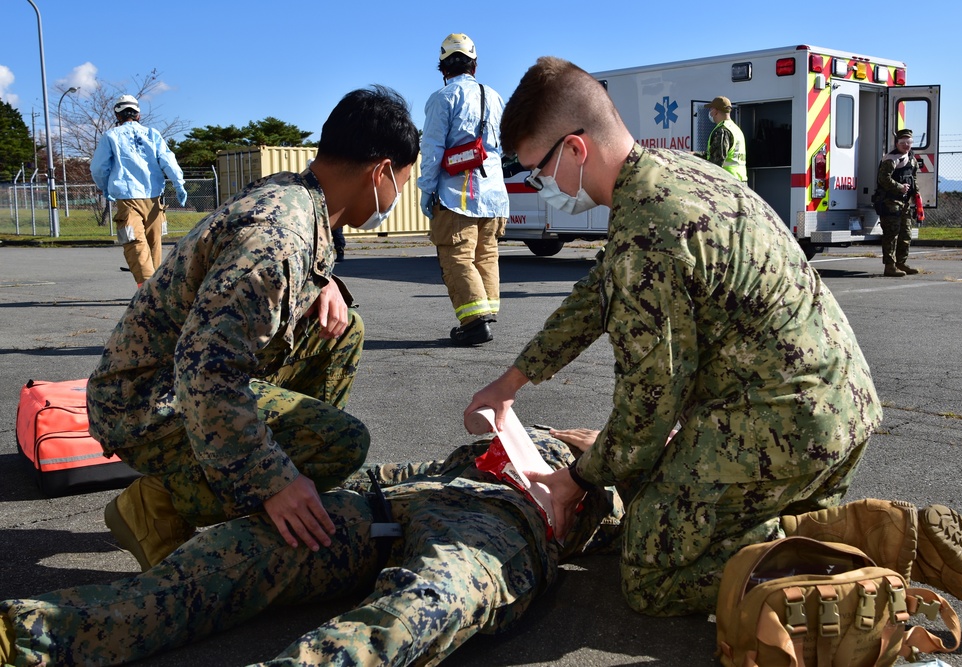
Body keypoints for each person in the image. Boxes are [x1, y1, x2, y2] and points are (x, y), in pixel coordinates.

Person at [465, 55, 888, 618]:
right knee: (673, 504)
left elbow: (648, 407)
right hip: (843, 412)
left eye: (535, 170)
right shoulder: (673, 173)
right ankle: (814, 531)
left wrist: (575, 480)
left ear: (574, 149)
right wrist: (512, 380)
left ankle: (854, 562)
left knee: (651, 576)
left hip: (781, 428)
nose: (538, 185)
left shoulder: (648, 234)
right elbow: (597, 294)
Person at [86, 86, 420, 573]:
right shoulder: (278, 242)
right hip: (145, 400)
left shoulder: (298, 195)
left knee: (345, 330)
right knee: (340, 445)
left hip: (174, 375)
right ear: (382, 172)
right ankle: (157, 505)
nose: (398, 195)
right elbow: (206, 374)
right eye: (403, 182)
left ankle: (272, 477)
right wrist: (273, 479)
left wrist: (322, 282)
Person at [0, 427, 624, 666]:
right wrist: (316, 493)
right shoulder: (528, 433)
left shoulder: (626, 473)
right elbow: (405, 471)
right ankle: (32, 632)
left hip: (501, 529)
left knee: (419, 607)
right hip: (401, 506)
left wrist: (604, 464)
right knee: (240, 551)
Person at [418, 33, 509, 347]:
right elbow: (502, 147)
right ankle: (486, 313)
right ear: (475, 64)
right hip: (494, 195)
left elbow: (431, 150)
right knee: (486, 255)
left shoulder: (442, 99)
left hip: (458, 194)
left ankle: (474, 323)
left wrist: (426, 190)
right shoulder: (495, 97)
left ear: (443, 67)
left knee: (457, 256)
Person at [90, 94, 188, 288]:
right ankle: (158, 288)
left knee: (134, 242)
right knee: (154, 245)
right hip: (154, 200)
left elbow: (98, 168)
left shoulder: (111, 136)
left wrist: (104, 186)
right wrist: (179, 184)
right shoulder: (153, 134)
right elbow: (168, 161)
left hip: (127, 199)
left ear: (117, 115)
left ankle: (147, 289)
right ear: (138, 115)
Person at [877, 128, 920, 277]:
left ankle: (901, 263)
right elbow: (883, 179)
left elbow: (913, 178)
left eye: (909, 142)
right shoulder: (891, 159)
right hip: (890, 202)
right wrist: (900, 187)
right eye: (903, 143)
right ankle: (890, 266)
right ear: (897, 143)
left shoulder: (912, 158)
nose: (906, 145)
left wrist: (916, 194)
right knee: (891, 234)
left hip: (905, 203)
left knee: (906, 234)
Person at [702, 95, 747, 181]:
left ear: (715, 111)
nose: (710, 112)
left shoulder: (722, 131)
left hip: (727, 182)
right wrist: (695, 155)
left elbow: (716, 161)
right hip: (739, 181)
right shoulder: (735, 129)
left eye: (710, 109)